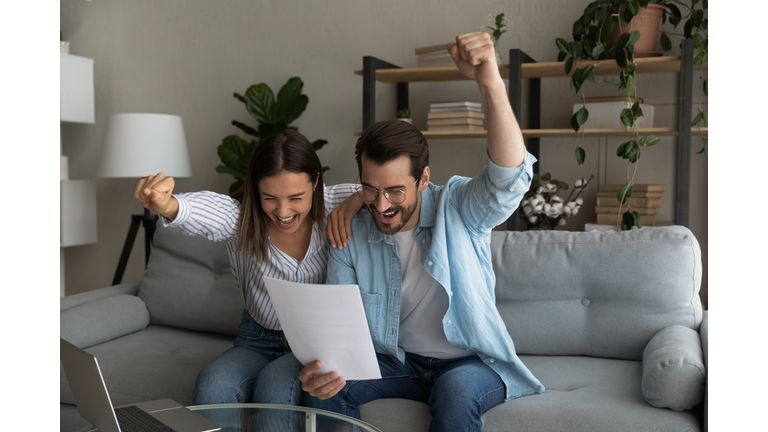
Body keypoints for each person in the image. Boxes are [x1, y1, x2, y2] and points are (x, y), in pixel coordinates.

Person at [297, 32, 545, 431]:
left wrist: (490, 83)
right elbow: (340, 329)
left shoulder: (460, 206)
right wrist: (324, 369)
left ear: (424, 178)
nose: (381, 206)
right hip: (396, 362)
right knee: (322, 390)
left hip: (467, 363)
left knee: (457, 394)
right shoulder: (350, 231)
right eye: (370, 189)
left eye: (395, 190)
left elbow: (508, 179)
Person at [133, 129, 362, 409]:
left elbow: (387, 191)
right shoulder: (238, 218)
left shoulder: (335, 203)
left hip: (315, 343)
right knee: (212, 385)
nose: (283, 211)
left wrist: (359, 198)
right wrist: (166, 204)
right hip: (258, 340)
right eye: (269, 198)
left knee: (275, 390)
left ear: (315, 182)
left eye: (295, 197)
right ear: (255, 188)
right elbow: (200, 210)